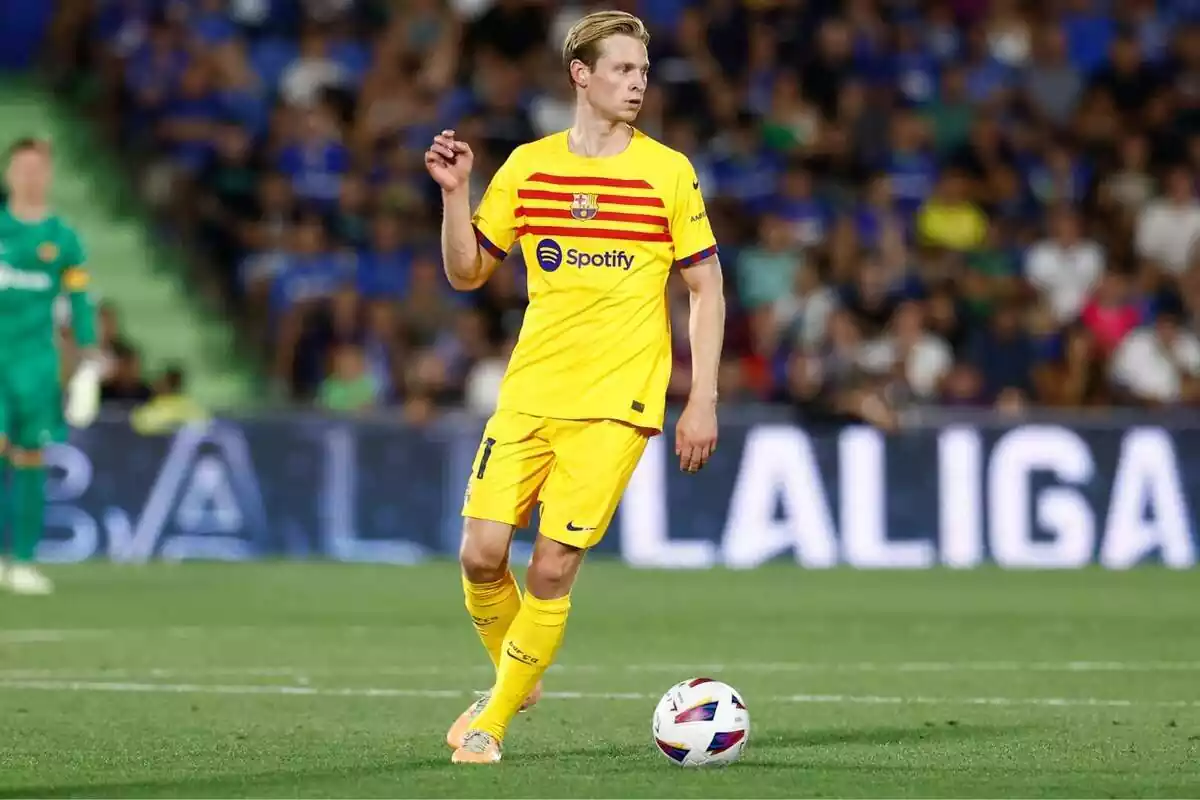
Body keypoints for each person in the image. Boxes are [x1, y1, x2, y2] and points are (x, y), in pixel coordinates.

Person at [424, 10, 725, 765]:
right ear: (580, 77)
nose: (637, 84)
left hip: (616, 401)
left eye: (644, 72)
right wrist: (455, 193)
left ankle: (492, 720)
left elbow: (706, 287)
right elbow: (468, 273)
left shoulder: (667, 170)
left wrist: (704, 397)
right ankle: (518, 678)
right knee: (479, 554)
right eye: (623, 70)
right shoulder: (529, 166)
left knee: (551, 566)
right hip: (530, 390)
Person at [0, 138, 100, 595]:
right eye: (22, 167)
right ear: (7, 175)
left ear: (49, 175)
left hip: (37, 365)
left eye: (38, 168)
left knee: (30, 457)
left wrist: (89, 350)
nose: (30, 176)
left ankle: (20, 561)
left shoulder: (63, 239)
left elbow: (78, 300)